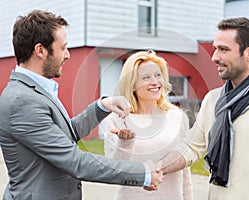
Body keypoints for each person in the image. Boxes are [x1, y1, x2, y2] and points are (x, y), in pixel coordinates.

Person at [0, 10, 163, 200]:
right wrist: (143, 174)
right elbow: (75, 161)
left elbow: (65, 135)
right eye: (63, 48)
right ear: (40, 51)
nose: (67, 55)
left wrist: (103, 106)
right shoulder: (22, 101)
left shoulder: (34, 90)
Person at [159, 17, 249, 199]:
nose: (215, 57)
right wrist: (156, 168)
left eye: (224, 50)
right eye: (216, 48)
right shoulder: (213, 100)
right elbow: (191, 147)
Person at [103, 50, 193, 199]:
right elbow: (114, 169)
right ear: (132, 85)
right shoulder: (117, 119)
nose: (155, 82)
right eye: (146, 77)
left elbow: (185, 173)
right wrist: (125, 142)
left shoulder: (178, 117)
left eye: (158, 75)